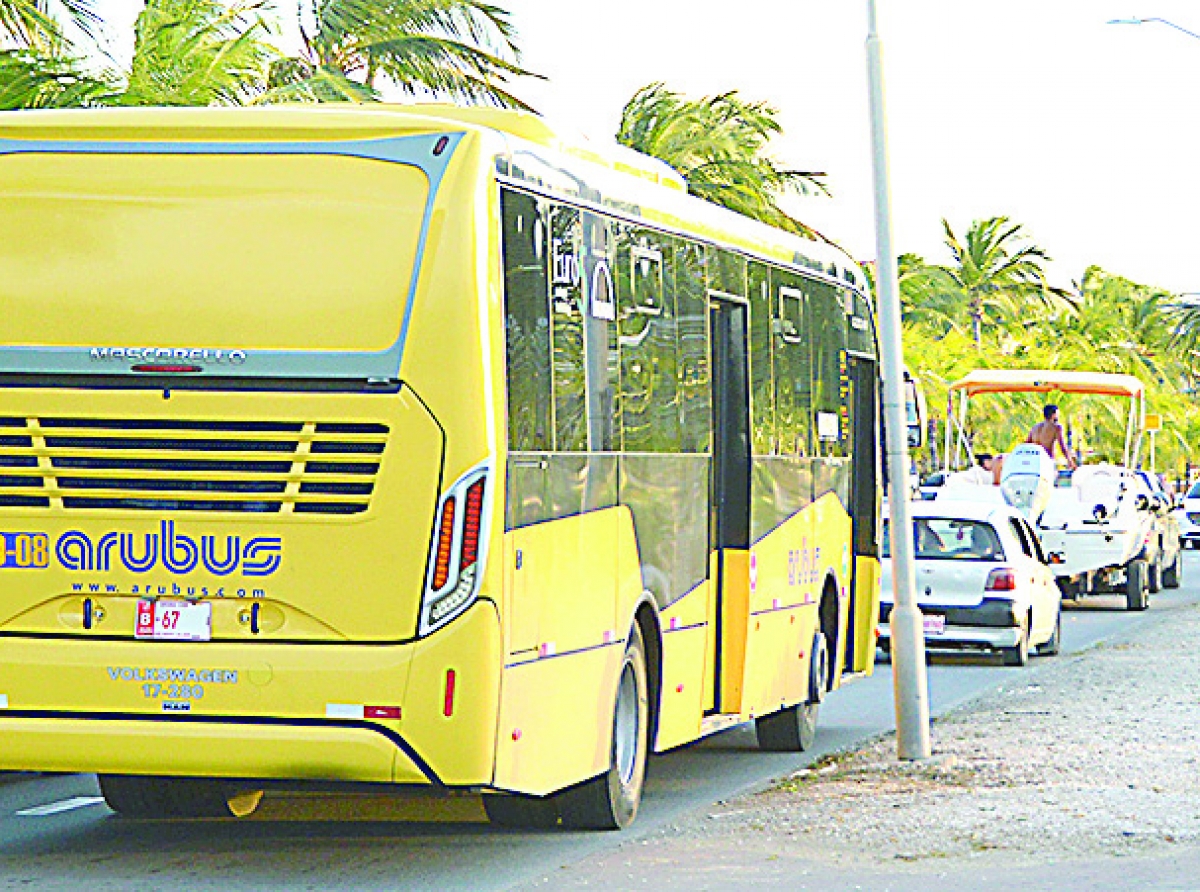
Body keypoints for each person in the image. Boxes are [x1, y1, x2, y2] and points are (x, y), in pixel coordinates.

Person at [1027, 404, 1077, 469]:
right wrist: (1071, 462)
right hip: (1047, 462)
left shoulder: (1035, 427)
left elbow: (1027, 443)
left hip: (1034, 462)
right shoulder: (1056, 427)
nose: (1059, 415)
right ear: (1054, 414)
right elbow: (1063, 447)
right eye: (1058, 413)